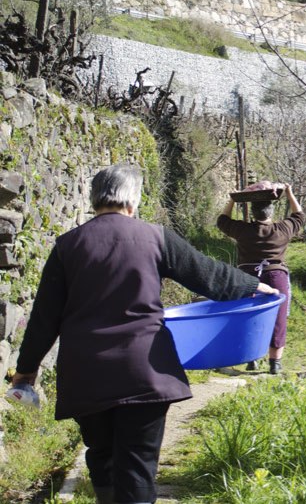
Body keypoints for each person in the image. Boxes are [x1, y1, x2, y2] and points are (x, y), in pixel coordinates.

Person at [10, 164, 279, 504]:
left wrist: (26, 372)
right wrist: (254, 285)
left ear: (94, 199)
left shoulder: (68, 245)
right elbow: (207, 274)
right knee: (138, 463)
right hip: (144, 370)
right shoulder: (155, 237)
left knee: (101, 454)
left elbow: (44, 318)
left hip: (86, 373)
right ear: (133, 200)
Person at [217, 182, 305, 374]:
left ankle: (251, 357)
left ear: (254, 213)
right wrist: (289, 193)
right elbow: (299, 216)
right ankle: (275, 363)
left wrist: (232, 200)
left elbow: (222, 221)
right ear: (271, 212)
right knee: (278, 318)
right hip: (276, 276)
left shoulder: (243, 230)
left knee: (249, 316)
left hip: (247, 278)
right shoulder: (282, 229)